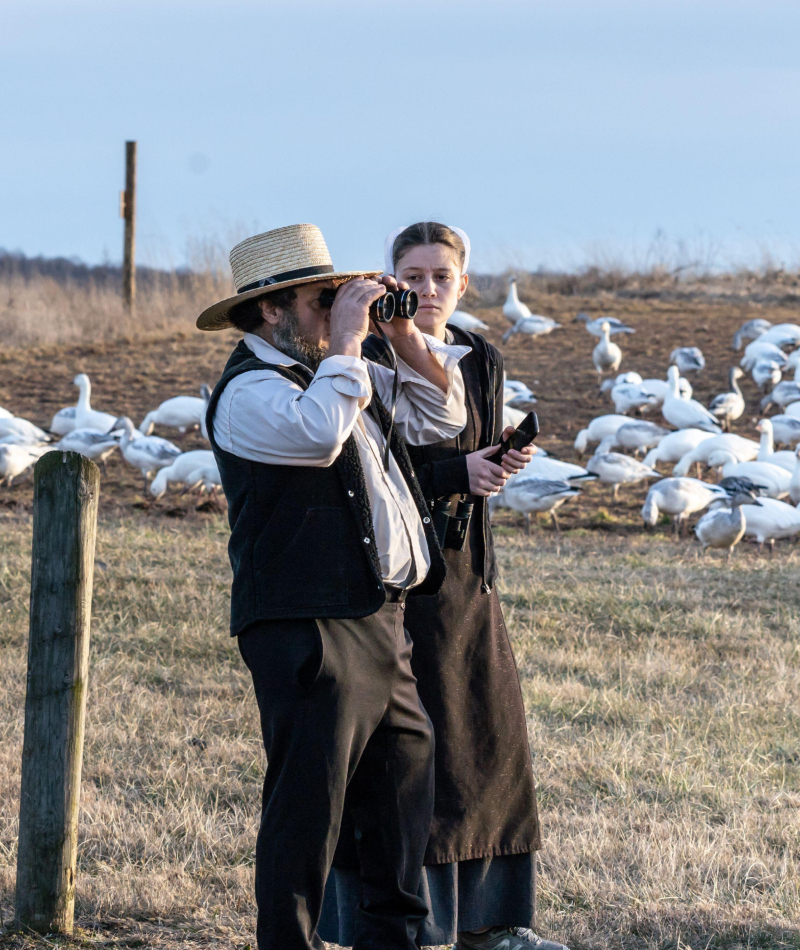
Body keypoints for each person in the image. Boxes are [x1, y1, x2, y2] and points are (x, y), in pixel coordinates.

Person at [197, 223, 472, 950]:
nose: (334, 314)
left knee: (400, 801)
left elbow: (444, 414)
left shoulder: (338, 370)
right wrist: (349, 340)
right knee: (308, 809)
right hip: (306, 622)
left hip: (381, 617)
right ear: (270, 310)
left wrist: (401, 335)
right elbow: (318, 437)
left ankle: (396, 943)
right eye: (324, 301)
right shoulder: (250, 392)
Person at [319, 223, 568, 950]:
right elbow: (360, 475)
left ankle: (492, 924)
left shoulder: (480, 354)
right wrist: (455, 476)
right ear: (389, 279)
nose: (427, 289)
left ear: (465, 284)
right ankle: (406, 924)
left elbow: (472, 451)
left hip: (468, 580)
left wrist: (493, 465)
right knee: (405, 759)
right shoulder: (361, 355)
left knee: (485, 746)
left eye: (441, 276)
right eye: (413, 275)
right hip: (393, 581)